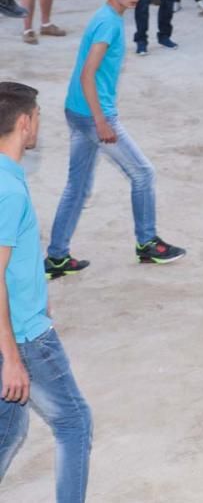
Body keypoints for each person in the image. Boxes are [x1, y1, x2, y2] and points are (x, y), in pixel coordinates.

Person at [46, 0, 186, 280]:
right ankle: (147, 243)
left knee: (78, 187)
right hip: (93, 115)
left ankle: (56, 257)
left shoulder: (106, 17)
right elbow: (87, 74)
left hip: (77, 110)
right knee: (143, 173)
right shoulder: (109, 24)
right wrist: (101, 121)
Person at [0, 82, 93, 503]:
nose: (39, 124)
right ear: (24, 123)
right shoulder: (10, 191)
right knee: (75, 422)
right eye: (37, 117)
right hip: (24, 335)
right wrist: (13, 358)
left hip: (17, 327)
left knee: (9, 427)